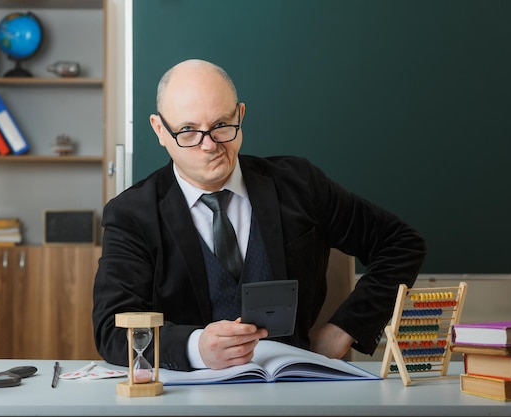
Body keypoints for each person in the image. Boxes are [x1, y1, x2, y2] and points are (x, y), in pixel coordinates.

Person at [93, 59, 427, 371]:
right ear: (160, 130)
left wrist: (346, 328)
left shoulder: (299, 184)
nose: (209, 145)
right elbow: (112, 328)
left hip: (295, 387)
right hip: (189, 398)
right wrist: (196, 348)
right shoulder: (131, 215)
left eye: (222, 125)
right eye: (188, 131)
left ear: (240, 114)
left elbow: (401, 244)